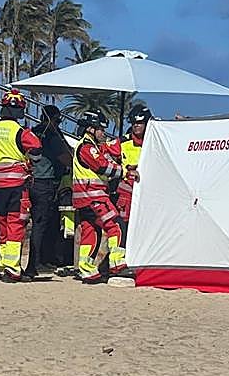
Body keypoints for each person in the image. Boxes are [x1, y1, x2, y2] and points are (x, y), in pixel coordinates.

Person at [0, 90, 42, 282]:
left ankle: (4, 266)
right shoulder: (21, 132)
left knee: (2, 224)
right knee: (16, 225)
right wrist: (30, 161)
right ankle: (13, 269)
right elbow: (37, 150)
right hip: (18, 186)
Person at [71, 109, 127, 283]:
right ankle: (117, 265)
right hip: (94, 197)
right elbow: (102, 166)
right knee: (116, 226)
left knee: (91, 232)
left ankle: (87, 270)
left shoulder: (91, 146)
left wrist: (121, 141)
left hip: (83, 199)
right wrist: (123, 170)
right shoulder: (87, 147)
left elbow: (109, 148)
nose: (103, 133)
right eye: (101, 129)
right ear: (90, 129)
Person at [25, 104, 71, 276]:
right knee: (42, 224)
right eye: (58, 120)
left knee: (26, 223)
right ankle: (36, 263)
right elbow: (65, 158)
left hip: (30, 180)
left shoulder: (31, 132)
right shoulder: (51, 136)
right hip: (45, 182)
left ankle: (39, 260)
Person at [115, 104, 150, 243]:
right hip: (127, 193)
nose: (136, 126)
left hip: (148, 192)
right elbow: (103, 156)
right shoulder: (123, 142)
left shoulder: (154, 141)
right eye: (134, 123)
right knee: (125, 228)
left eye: (140, 123)